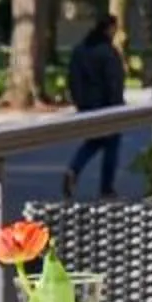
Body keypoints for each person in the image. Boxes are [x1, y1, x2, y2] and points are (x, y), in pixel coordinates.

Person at [63, 16, 129, 199]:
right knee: (111, 146)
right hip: (108, 106)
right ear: (109, 29)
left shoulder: (80, 50)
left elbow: (73, 79)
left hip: (88, 106)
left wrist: (80, 102)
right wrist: (118, 105)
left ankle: (74, 169)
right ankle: (106, 188)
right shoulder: (108, 52)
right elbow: (114, 82)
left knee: (94, 141)